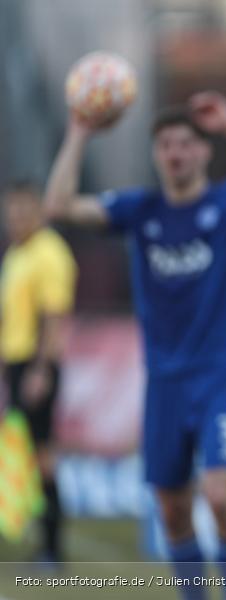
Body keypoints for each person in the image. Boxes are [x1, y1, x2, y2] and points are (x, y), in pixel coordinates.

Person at [44, 92, 226, 600]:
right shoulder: (141, 210)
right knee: (171, 508)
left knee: (219, 495)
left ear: (203, 152)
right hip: (163, 380)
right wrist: (79, 130)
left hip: (217, 374)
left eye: (186, 143)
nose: (176, 153)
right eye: (166, 144)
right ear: (156, 154)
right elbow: (59, 204)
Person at [1, 181, 77, 564]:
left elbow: (53, 318)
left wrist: (41, 371)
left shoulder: (49, 253)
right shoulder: (17, 253)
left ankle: (52, 548)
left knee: (43, 454)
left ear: (38, 211)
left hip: (36, 365)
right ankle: (31, 533)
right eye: (10, 211)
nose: (15, 218)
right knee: (22, 453)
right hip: (17, 365)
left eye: (23, 210)